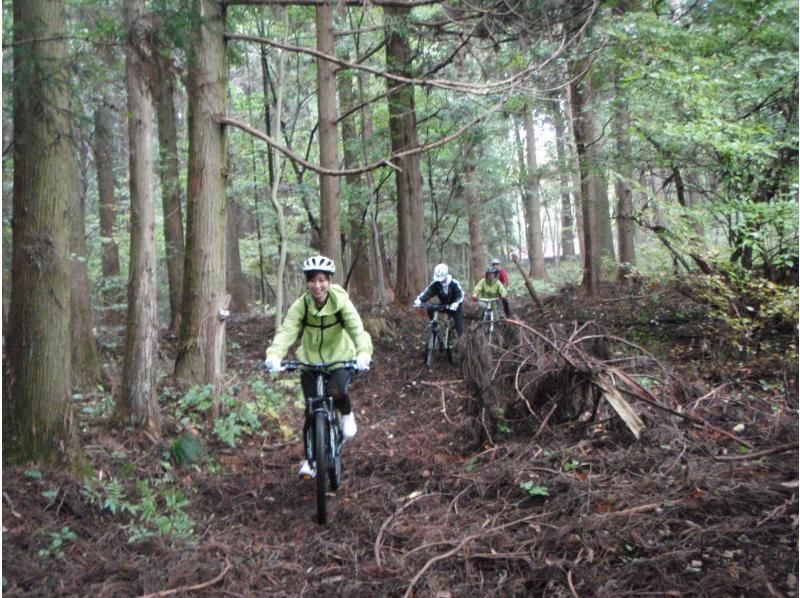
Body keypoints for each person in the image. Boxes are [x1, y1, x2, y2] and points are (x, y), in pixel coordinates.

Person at [264, 255, 373, 478]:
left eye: (322, 280)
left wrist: (363, 353)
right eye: (312, 280)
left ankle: (347, 414)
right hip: (310, 361)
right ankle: (311, 460)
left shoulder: (341, 302)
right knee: (311, 410)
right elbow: (288, 331)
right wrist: (274, 355)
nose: (317, 285)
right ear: (307, 283)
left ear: (329, 281)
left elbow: (357, 329)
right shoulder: (301, 305)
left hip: (340, 358)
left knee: (336, 391)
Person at [413, 263, 465, 340]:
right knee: (430, 308)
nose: (440, 281)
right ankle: (435, 326)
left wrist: (456, 303)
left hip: (455, 307)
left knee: (459, 326)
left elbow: (460, 295)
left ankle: (461, 342)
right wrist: (419, 300)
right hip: (444, 305)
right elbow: (428, 293)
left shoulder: (454, 283)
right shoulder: (436, 284)